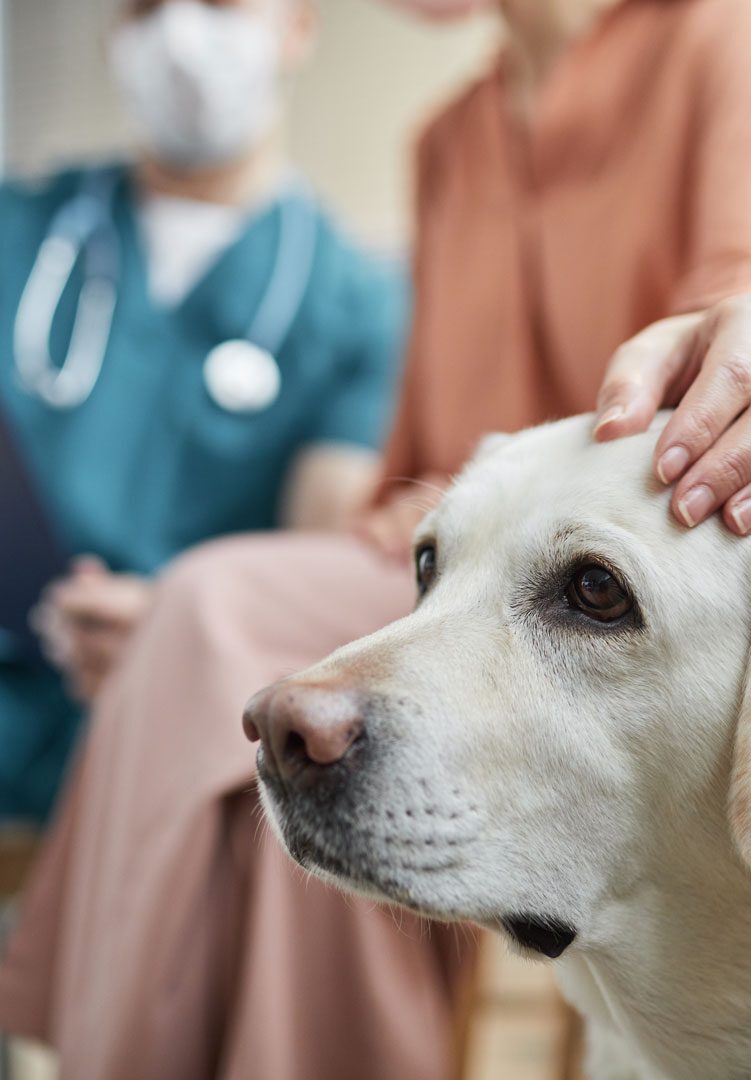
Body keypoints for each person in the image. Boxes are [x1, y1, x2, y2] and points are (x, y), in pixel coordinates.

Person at [0, 0, 751, 1076]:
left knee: (224, 624)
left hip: (629, 583)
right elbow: (420, 475)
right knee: (241, 654)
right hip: (445, 569)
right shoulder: (447, 142)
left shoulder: (726, 35)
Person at [0, 0, 404, 822]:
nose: (179, 35)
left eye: (220, 2)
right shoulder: (20, 229)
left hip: (180, 739)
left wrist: (179, 632)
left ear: (297, 27)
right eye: (146, 6)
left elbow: (306, 580)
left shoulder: (357, 304)